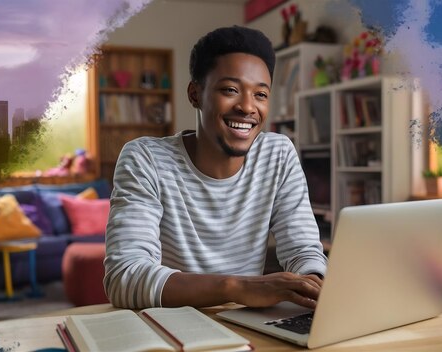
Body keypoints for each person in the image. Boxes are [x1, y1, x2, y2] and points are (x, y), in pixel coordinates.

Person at [104, 26, 327, 310]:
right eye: (230, 90)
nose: (247, 107)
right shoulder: (145, 159)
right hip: (172, 326)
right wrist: (235, 287)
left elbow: (303, 251)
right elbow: (124, 277)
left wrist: (312, 283)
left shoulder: (278, 154)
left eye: (260, 94)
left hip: (248, 325)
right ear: (195, 94)